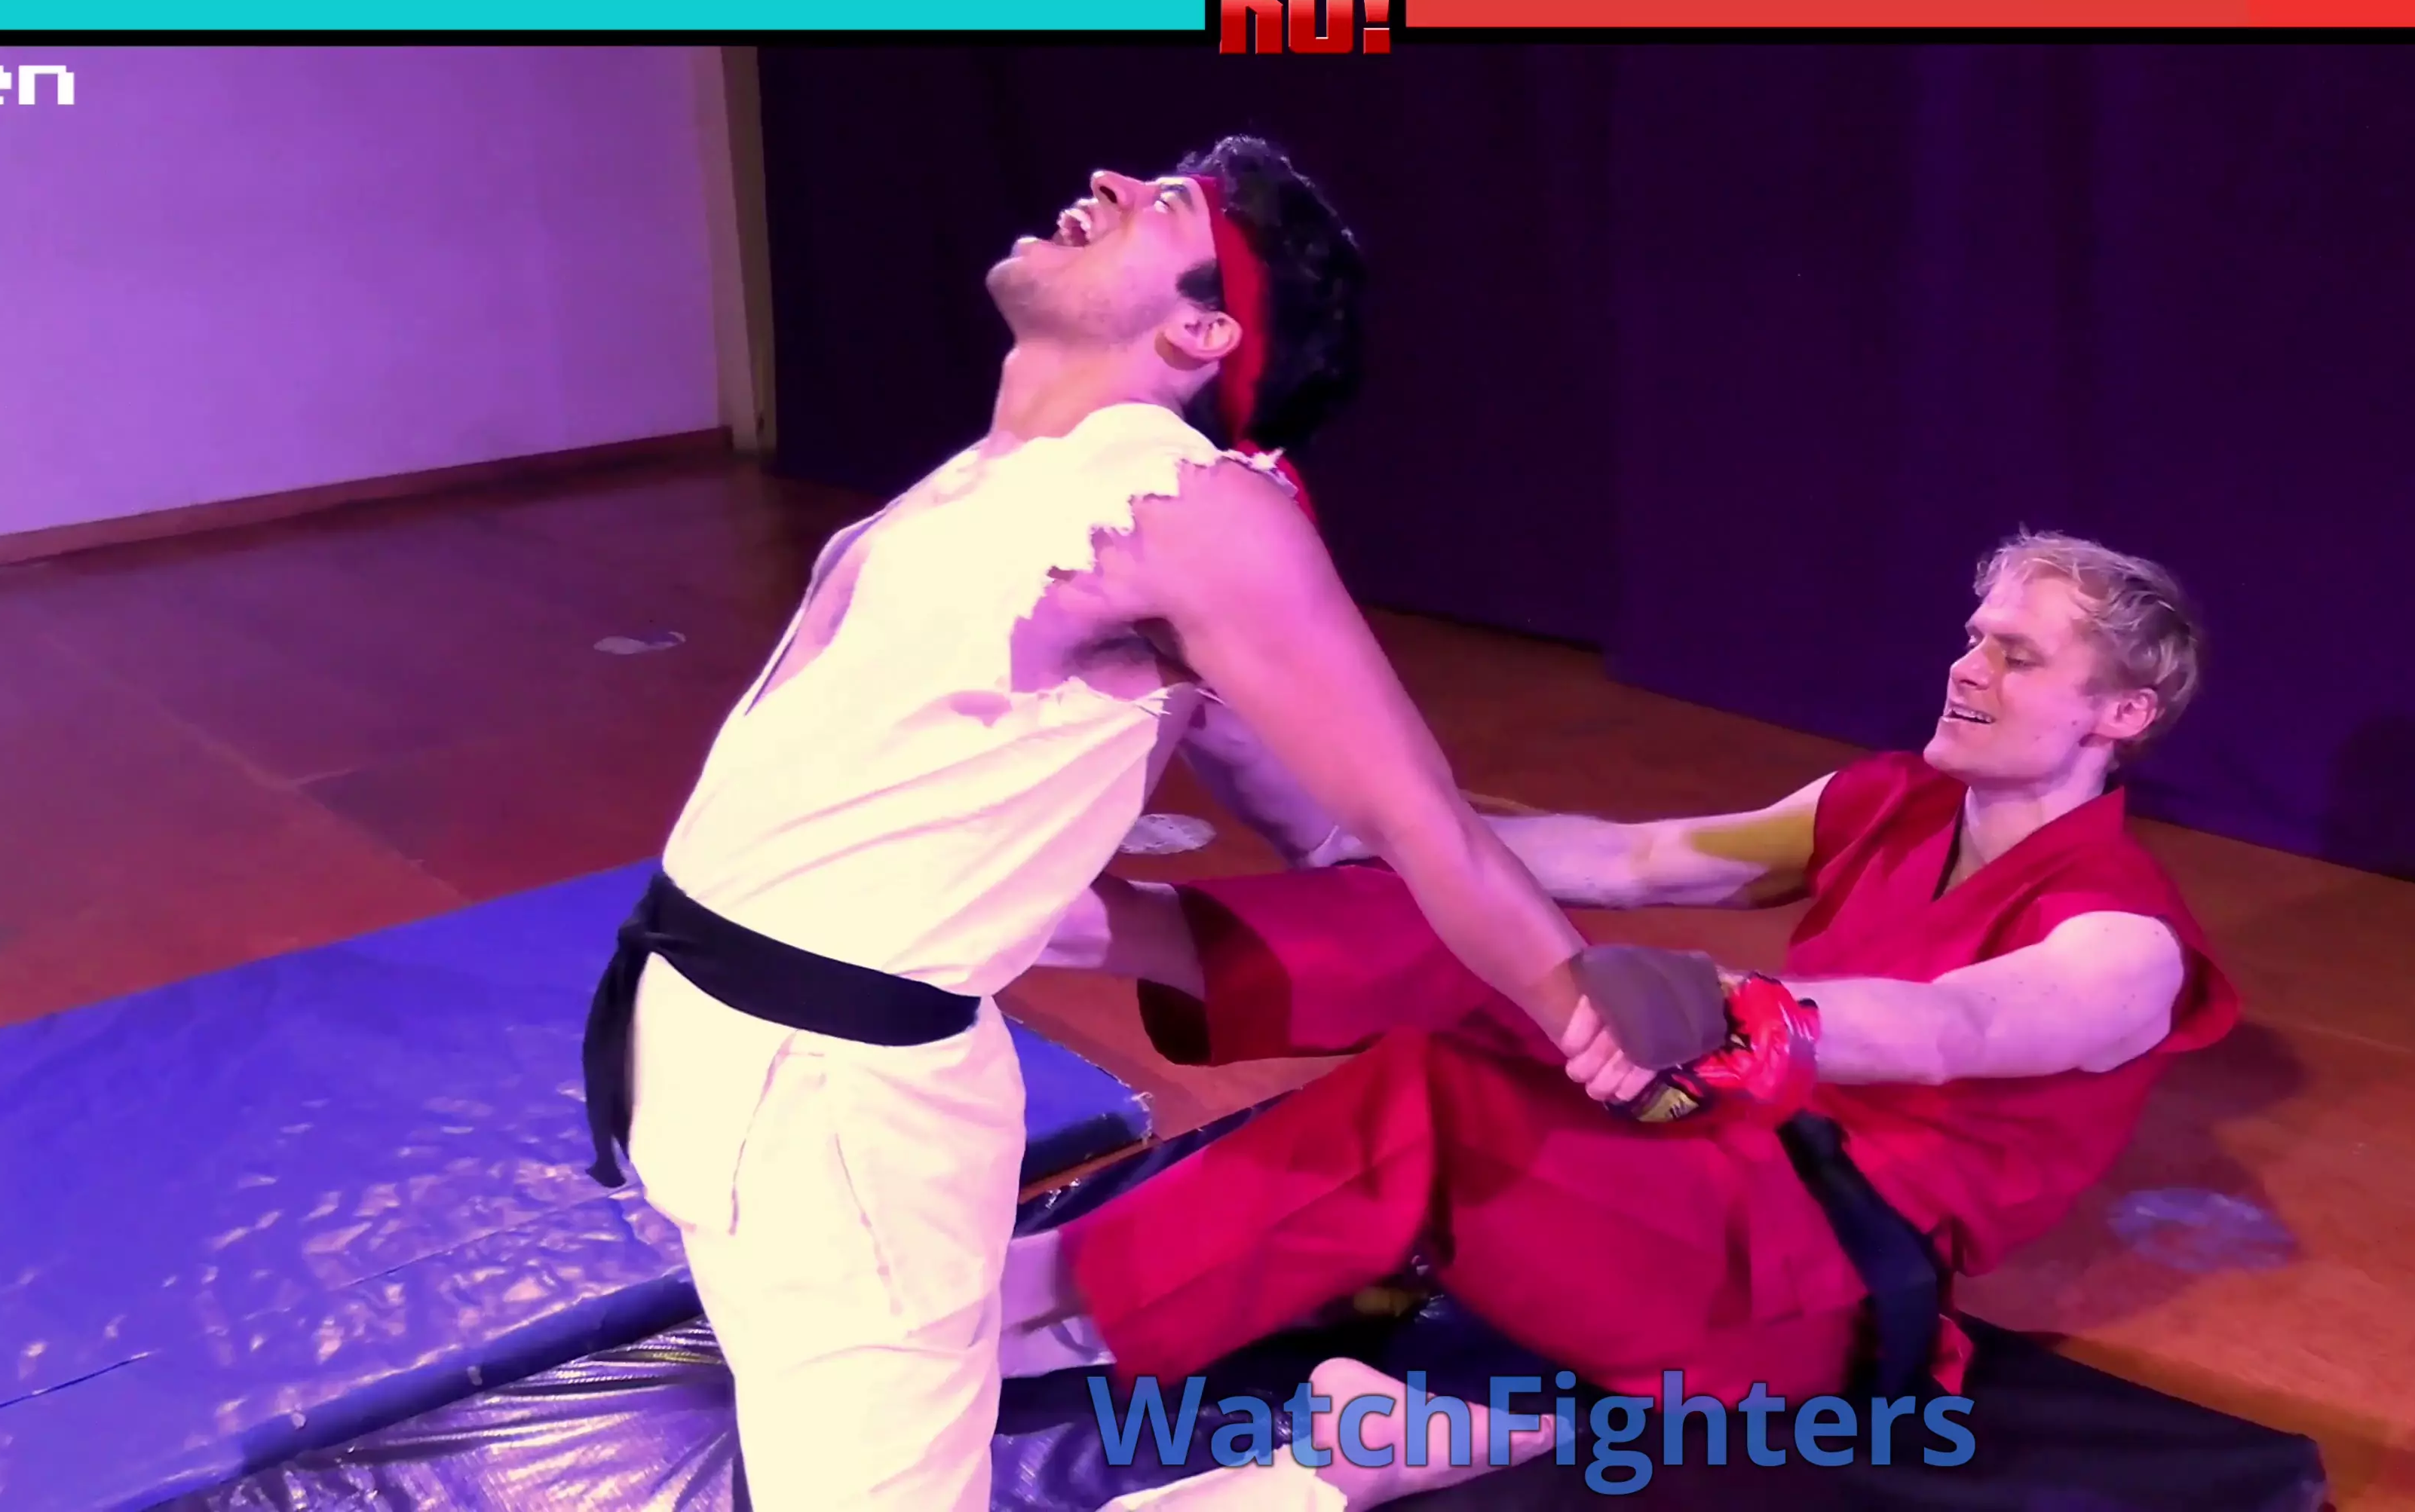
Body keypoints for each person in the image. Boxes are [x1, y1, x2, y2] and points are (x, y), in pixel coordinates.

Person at [572, 135, 1728, 1510]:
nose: (1115, 182)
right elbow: (1320, 824)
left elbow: (1413, 823)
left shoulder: (1191, 509)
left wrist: (1585, 1004)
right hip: (700, 1034)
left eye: (1168, 202)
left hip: (837, 1096)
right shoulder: (1006, 474)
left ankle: (1331, 1472)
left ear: (1204, 328)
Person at [1007, 531, 2244, 1509]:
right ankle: (1091, 926)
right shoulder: (1892, 801)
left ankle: (1040, 1312)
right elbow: (1643, 858)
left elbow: (1950, 1025)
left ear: (2122, 714)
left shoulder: (2124, 940)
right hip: (1708, 1182)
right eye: (1974, 639)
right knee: (1474, 947)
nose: (1968, 668)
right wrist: (1420, 844)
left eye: (2018, 656)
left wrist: (1762, 1014)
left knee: (1441, 1097)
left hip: (1804, 1300)